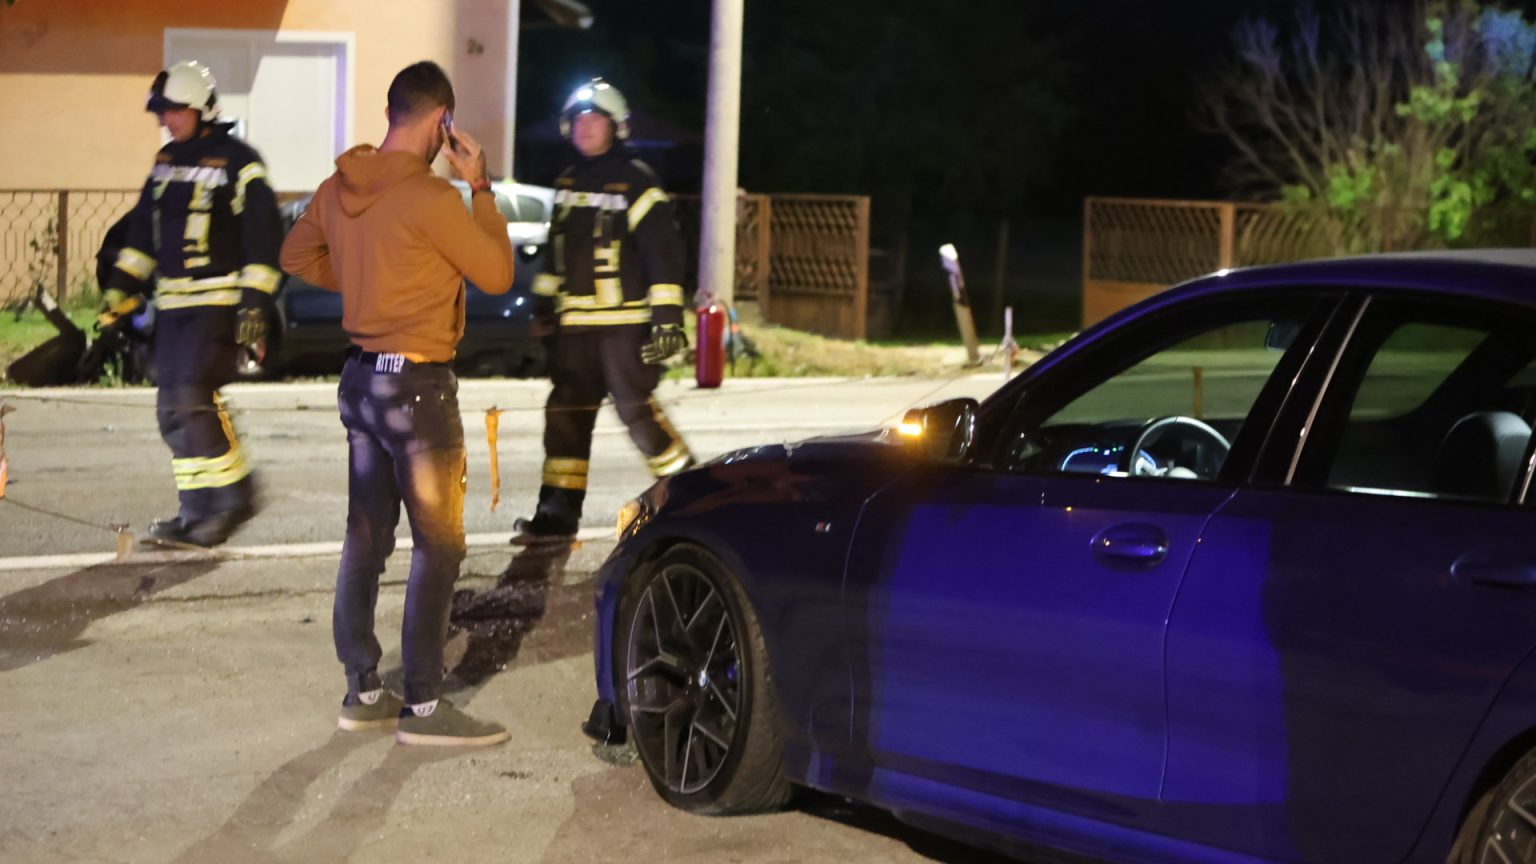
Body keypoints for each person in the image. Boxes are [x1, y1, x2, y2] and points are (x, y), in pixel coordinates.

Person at [280, 61, 514, 746]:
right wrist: (481, 187)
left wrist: (365, 278)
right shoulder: (434, 197)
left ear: (390, 113)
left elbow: (296, 255)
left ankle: (362, 691)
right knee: (438, 546)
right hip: (417, 388)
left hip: (361, 382)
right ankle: (424, 707)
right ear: (443, 121)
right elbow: (498, 274)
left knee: (366, 538)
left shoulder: (339, 186)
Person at [104, 60, 281, 547]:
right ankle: (194, 510)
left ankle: (233, 499)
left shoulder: (240, 162)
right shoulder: (166, 162)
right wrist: (121, 287)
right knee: (171, 410)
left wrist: (253, 307)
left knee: (190, 398)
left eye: (174, 110)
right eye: (161, 111)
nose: (166, 119)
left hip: (217, 304)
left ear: (201, 109)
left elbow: (264, 236)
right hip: (174, 308)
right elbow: (142, 233)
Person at [513, 78, 694, 545]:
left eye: (595, 119)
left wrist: (667, 320)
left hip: (624, 328)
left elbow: (663, 253)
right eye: (578, 120)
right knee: (566, 417)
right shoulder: (567, 183)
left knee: (637, 415)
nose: (586, 127)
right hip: (575, 330)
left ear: (616, 127)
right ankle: (556, 514)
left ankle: (690, 497)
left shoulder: (638, 181)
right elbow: (556, 257)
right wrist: (543, 307)